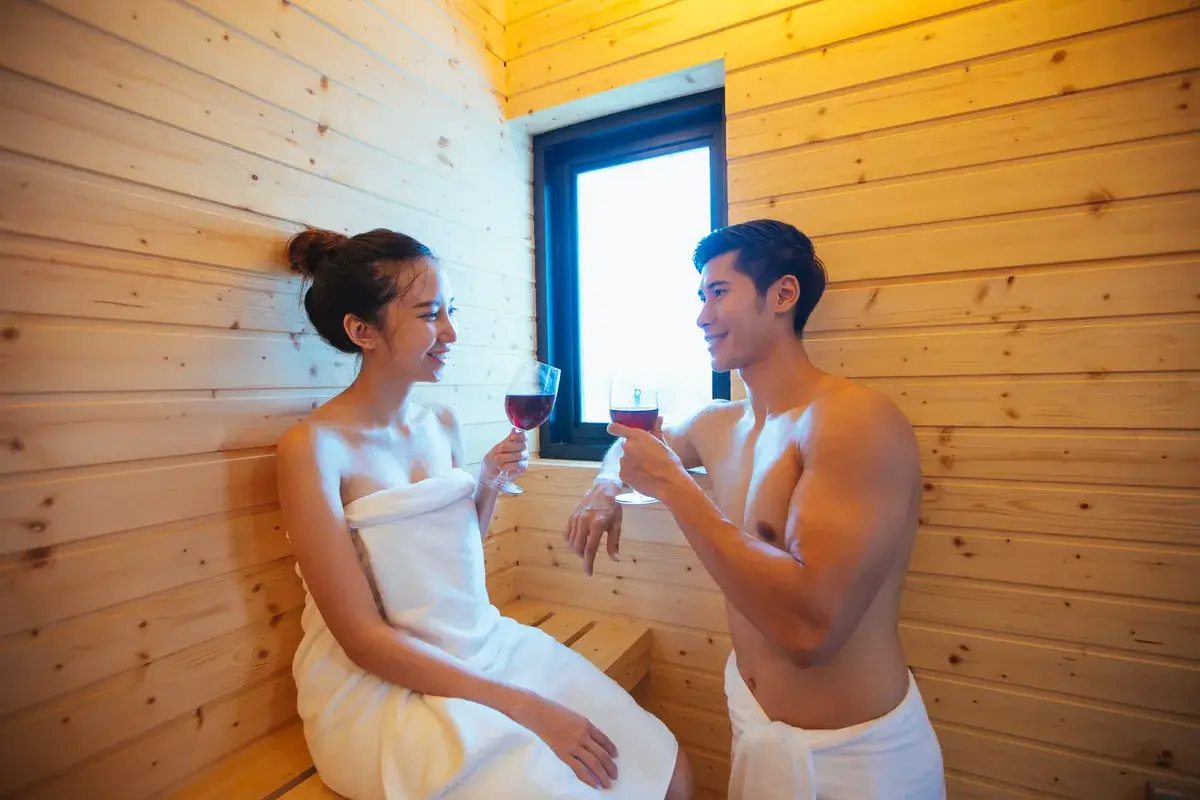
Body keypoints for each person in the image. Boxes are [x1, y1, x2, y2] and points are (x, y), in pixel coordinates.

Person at [275, 227, 691, 800]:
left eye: (449, 310)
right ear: (361, 330)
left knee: (666, 769)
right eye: (428, 315)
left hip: (480, 642)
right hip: (385, 685)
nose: (450, 332)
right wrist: (527, 708)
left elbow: (454, 555)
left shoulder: (440, 423)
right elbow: (364, 641)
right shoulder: (314, 448)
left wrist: (489, 483)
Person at [565, 220, 945, 799]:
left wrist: (678, 488)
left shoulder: (852, 421)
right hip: (753, 726)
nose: (701, 316)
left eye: (719, 293)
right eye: (700, 297)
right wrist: (602, 485)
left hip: (852, 755)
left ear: (782, 296)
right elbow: (629, 444)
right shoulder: (720, 423)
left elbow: (811, 631)